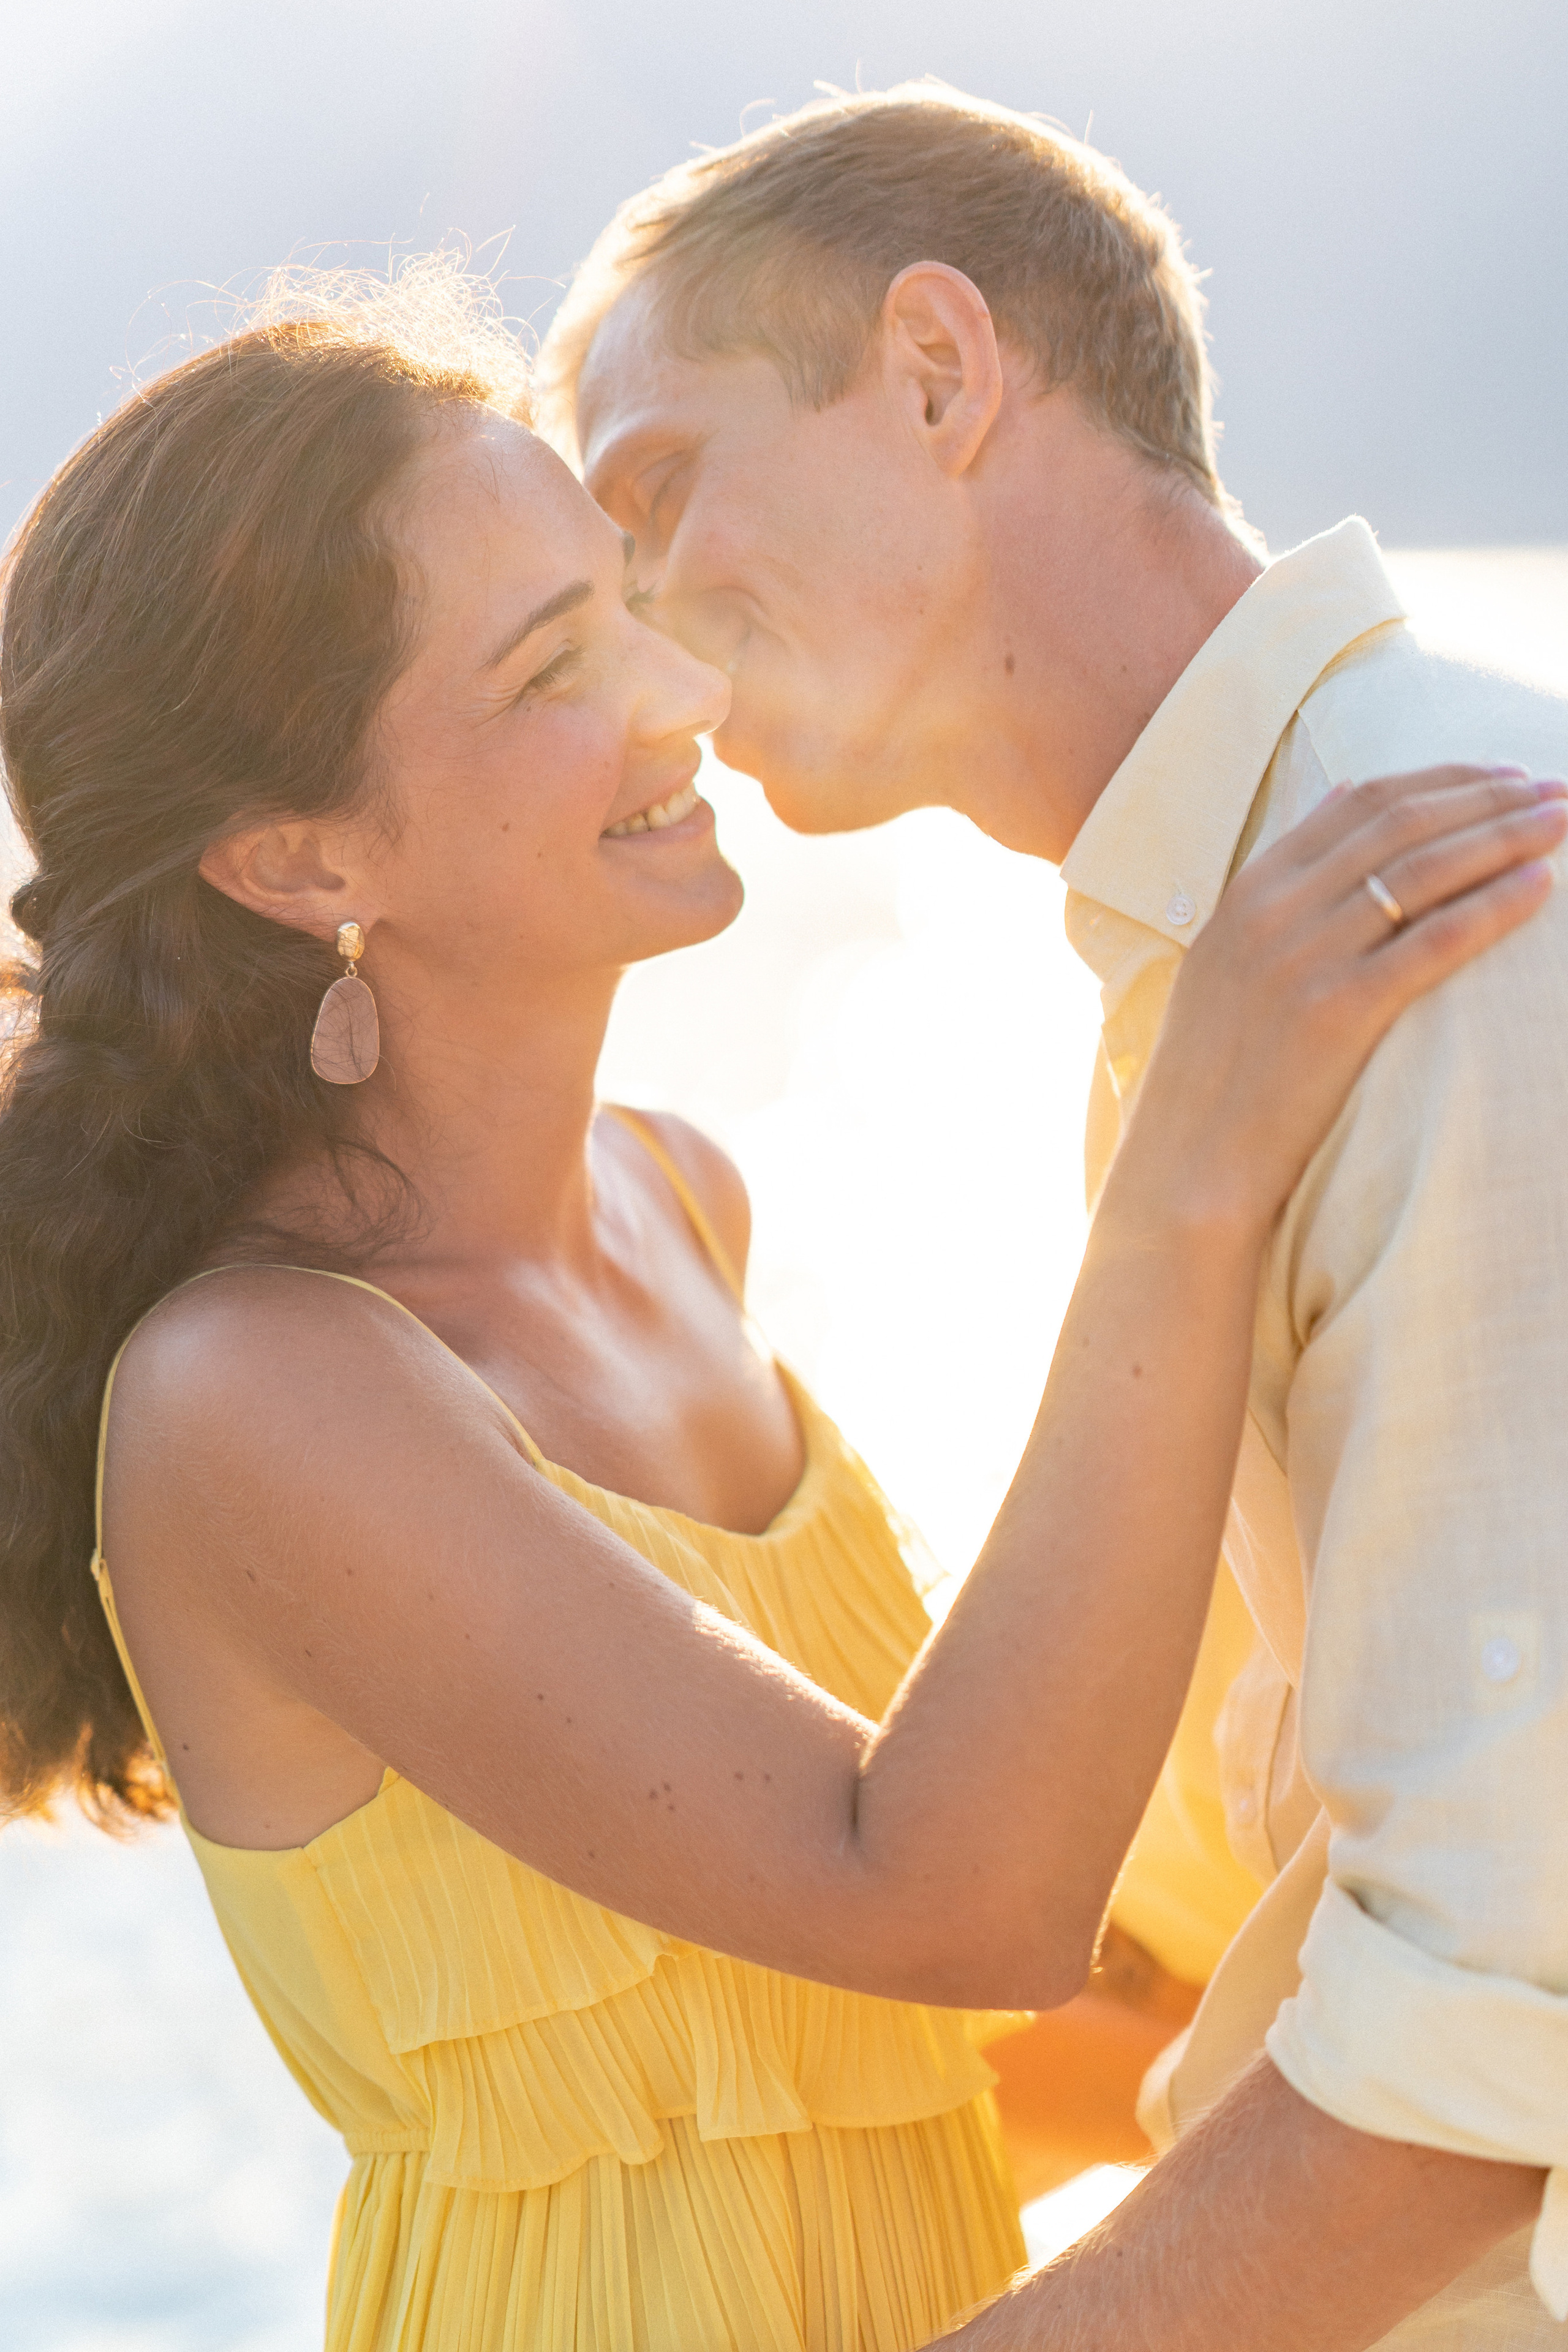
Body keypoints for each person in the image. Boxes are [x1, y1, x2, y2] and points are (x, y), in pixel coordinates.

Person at [0, 280, 1553, 2352]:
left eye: (626, 595)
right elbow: (951, 1897)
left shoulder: (681, 1202)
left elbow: (874, 2030)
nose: (680, 688)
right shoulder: (255, 1395)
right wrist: (1197, 1161)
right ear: (300, 858)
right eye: (557, 661)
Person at [543, 81, 1568, 2349]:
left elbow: (1504, 2034)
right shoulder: (1242, 966)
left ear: (936, 370)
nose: (635, 615)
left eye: (657, 486)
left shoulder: (1459, 896)